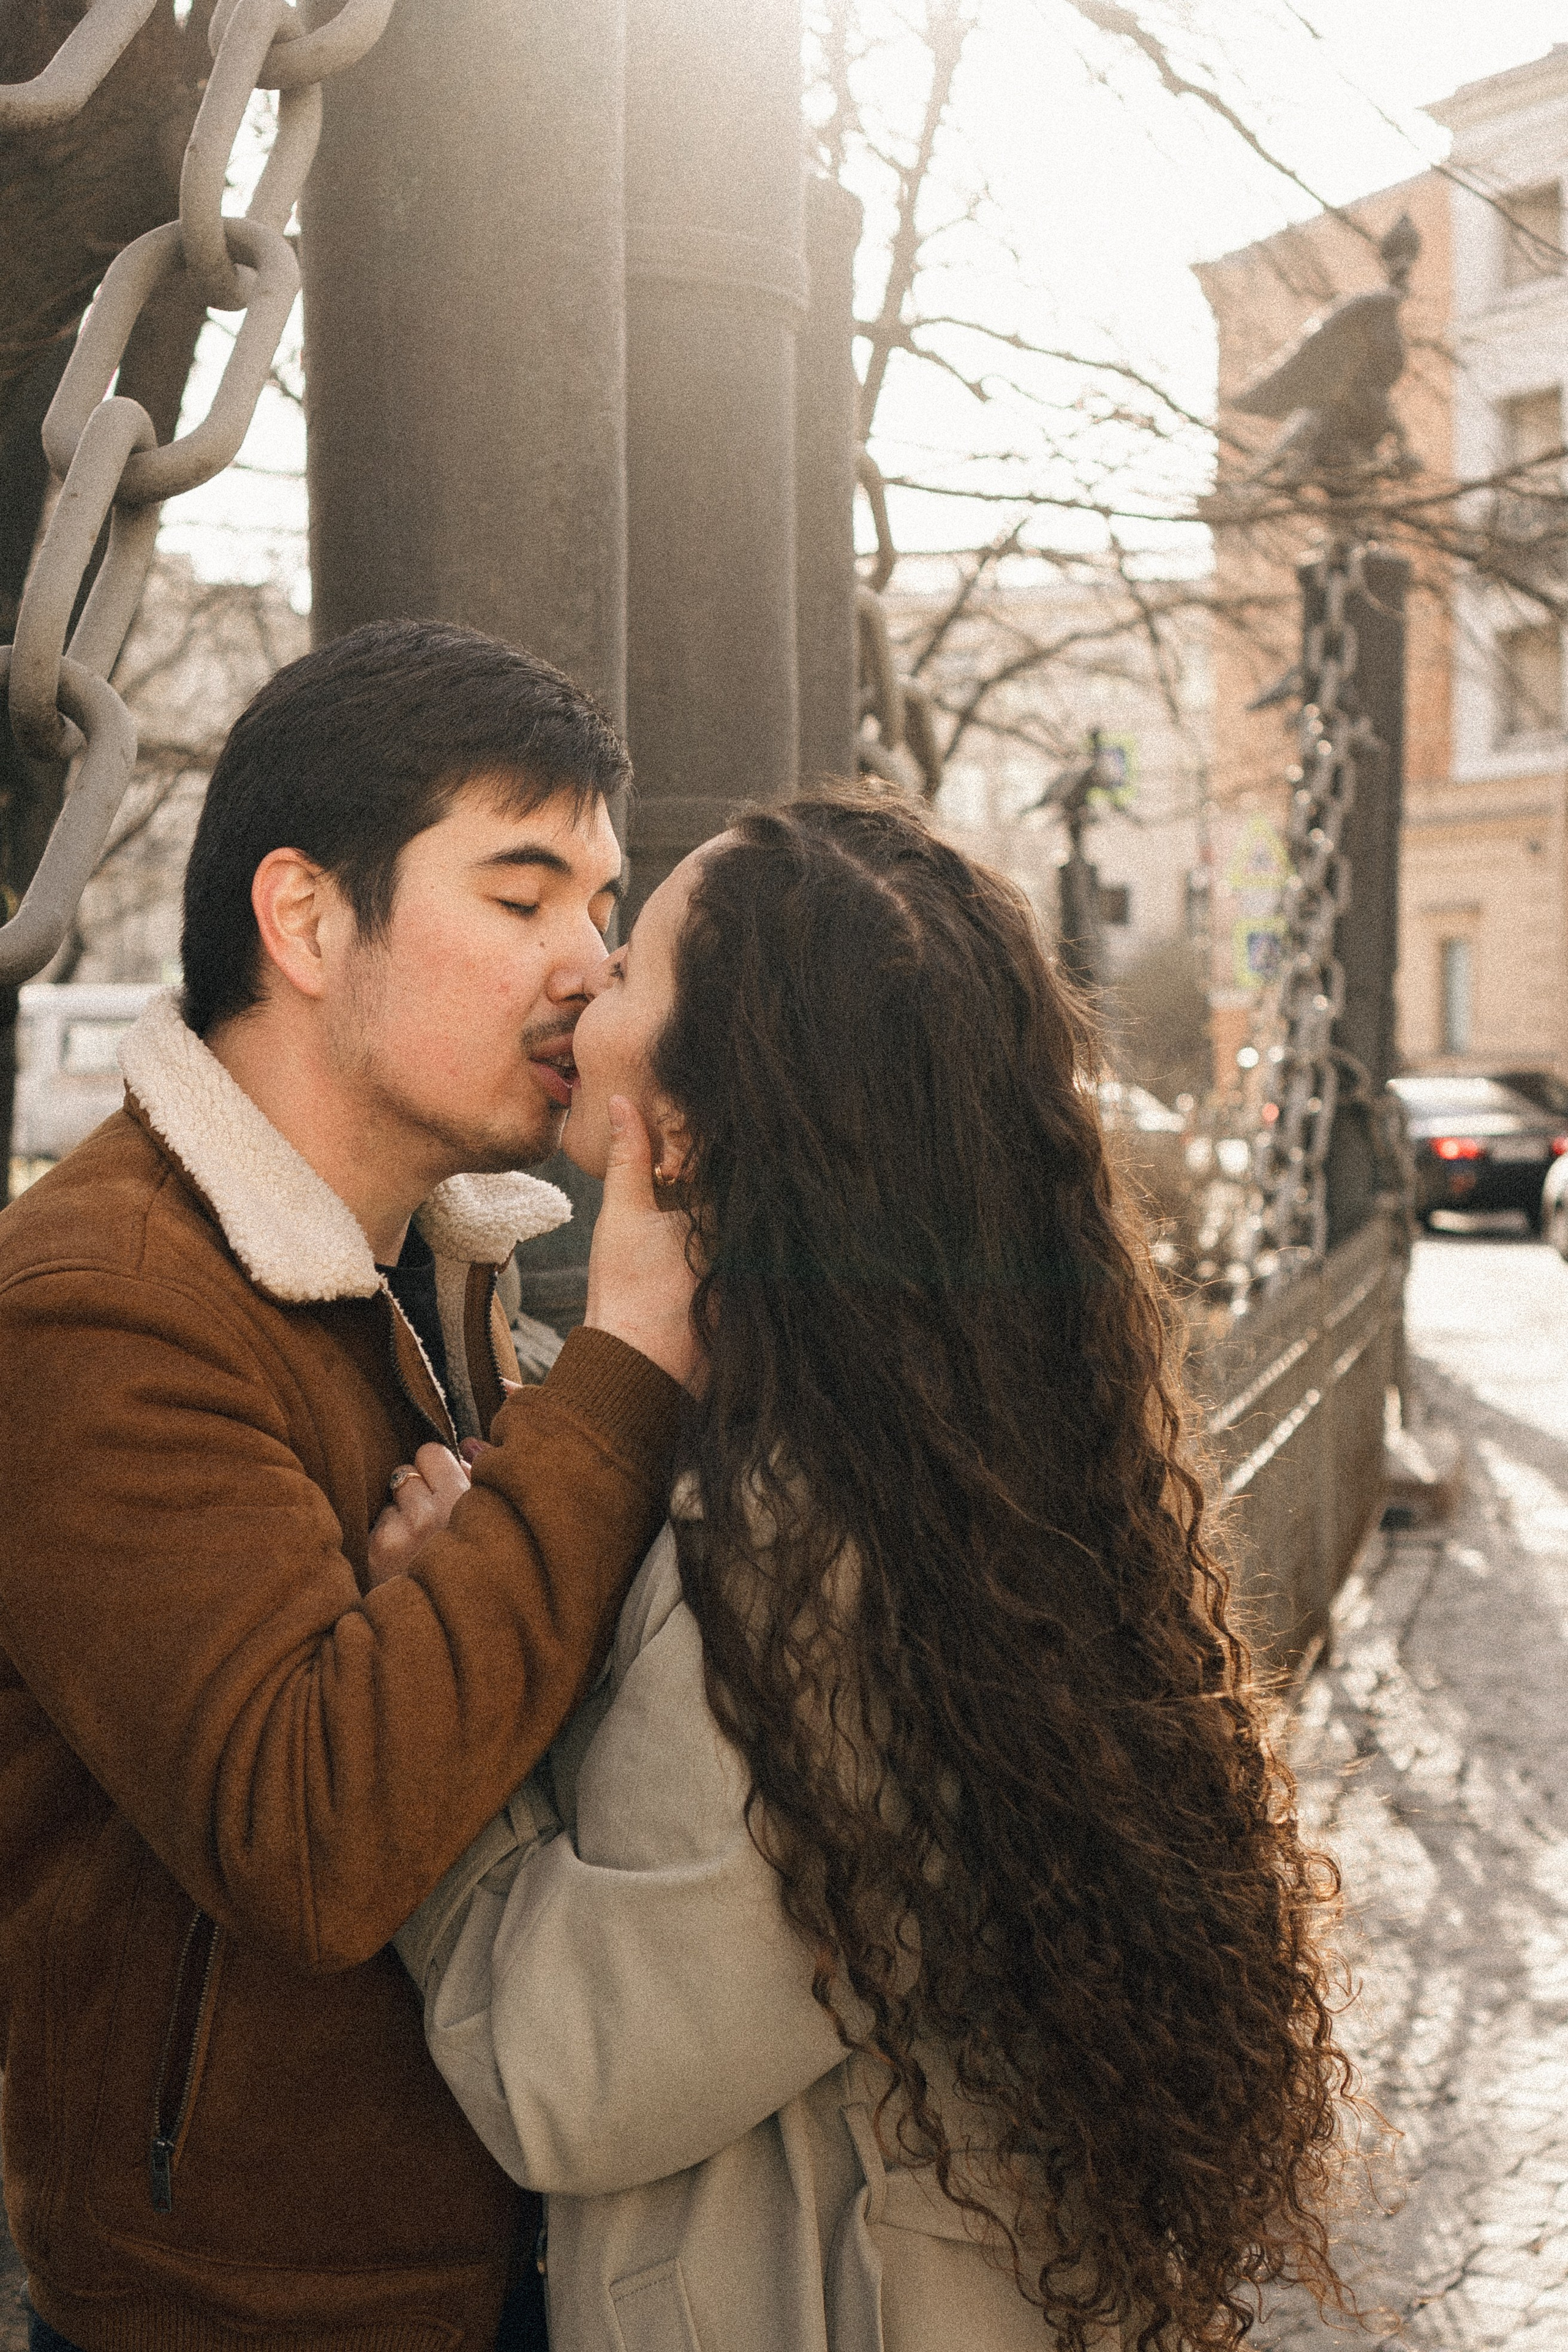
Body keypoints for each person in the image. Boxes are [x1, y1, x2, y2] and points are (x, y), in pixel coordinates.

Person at [380, 788, 1359, 2351]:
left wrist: (447, 1659)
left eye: (626, 967)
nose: (578, 981)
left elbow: (568, 2074)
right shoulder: (948, 1443)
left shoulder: (803, 1546)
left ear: (695, 1121)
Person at [0, 619, 699, 2352]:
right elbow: (307, 1840)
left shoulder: (429, 1265)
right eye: (523, 895)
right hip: (247, 2305)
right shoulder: (108, 1301)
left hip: (477, 2258)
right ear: (307, 920)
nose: (589, 969)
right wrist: (628, 1360)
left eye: (603, 909)